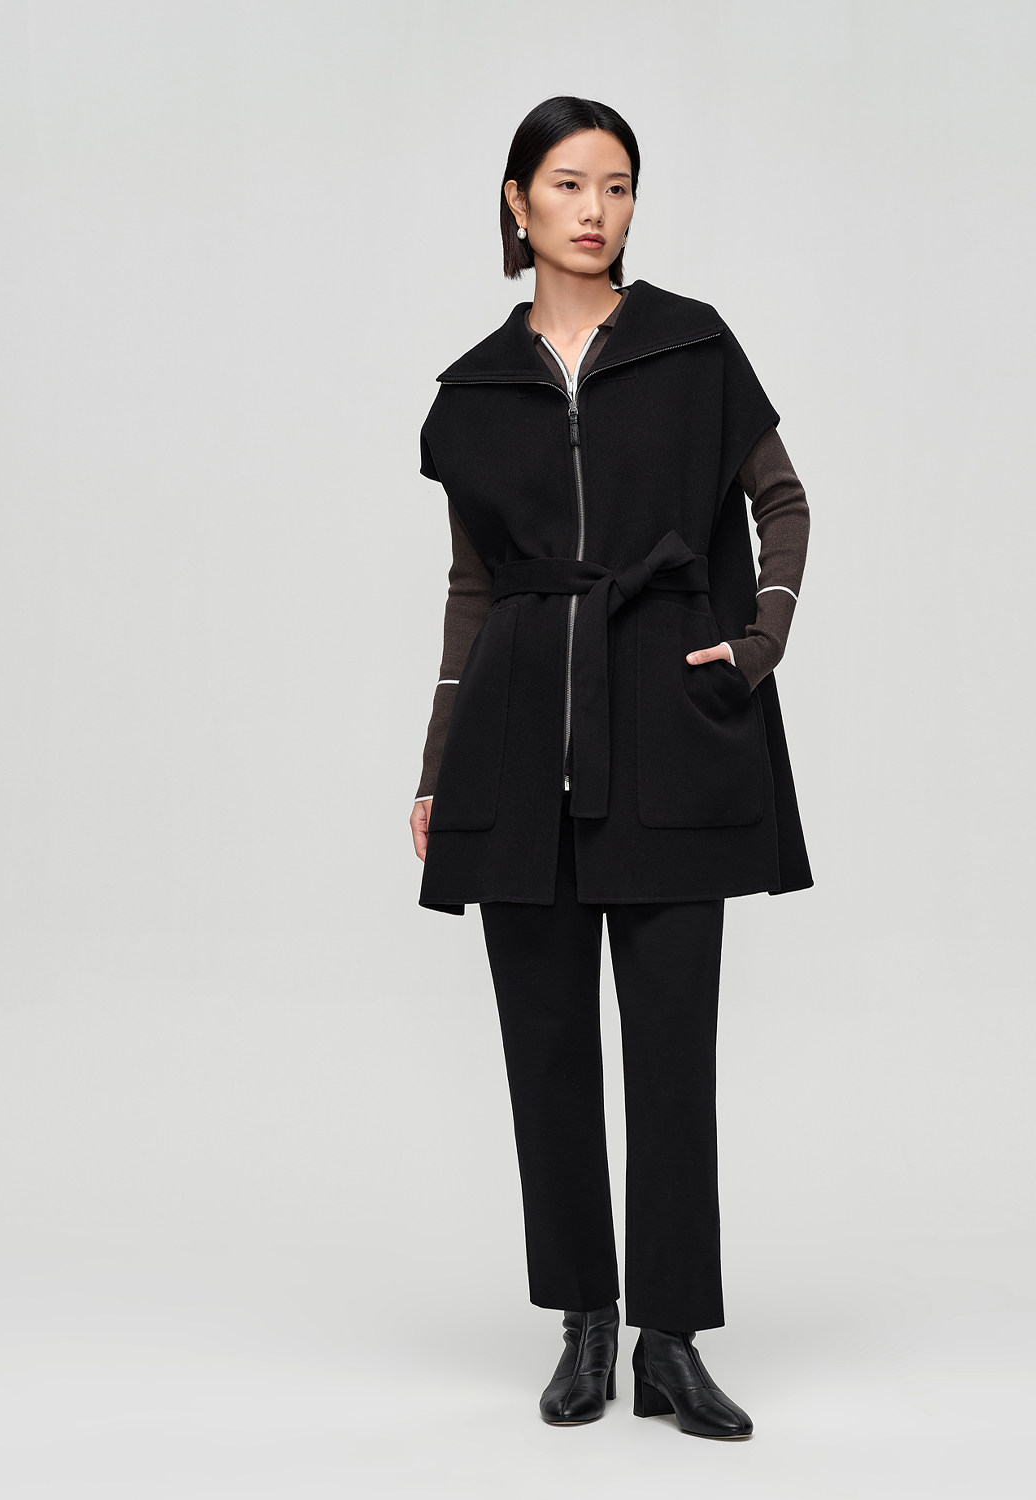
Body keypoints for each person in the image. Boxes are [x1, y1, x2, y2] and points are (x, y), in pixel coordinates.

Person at [409, 96, 813, 1439]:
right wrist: (437, 765)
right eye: (572, 183)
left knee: (673, 1053)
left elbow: (781, 501)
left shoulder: (692, 345)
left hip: (671, 729)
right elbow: (472, 591)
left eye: (621, 185)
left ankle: (671, 1341)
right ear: (517, 200)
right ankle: (585, 1323)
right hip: (518, 740)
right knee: (546, 1050)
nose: (598, 209)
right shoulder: (475, 388)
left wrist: (756, 643)